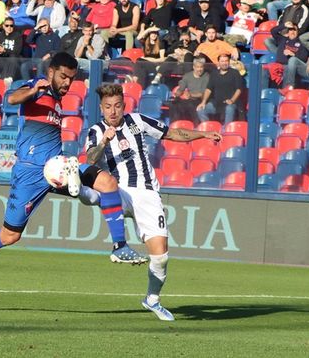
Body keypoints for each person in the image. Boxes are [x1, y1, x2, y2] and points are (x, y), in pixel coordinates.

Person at [0, 52, 149, 291]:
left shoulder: (58, 101)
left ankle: (120, 246)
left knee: (107, 184)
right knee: (10, 236)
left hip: (57, 167)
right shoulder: (37, 89)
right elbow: (11, 99)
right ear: (50, 73)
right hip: (29, 174)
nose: (68, 83)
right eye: (63, 77)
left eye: (71, 78)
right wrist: (33, 90)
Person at [82, 83, 222, 321]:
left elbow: (173, 133)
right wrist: (105, 141)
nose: (113, 111)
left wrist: (203, 134)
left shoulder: (137, 120)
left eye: (117, 106)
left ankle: (152, 300)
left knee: (161, 256)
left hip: (147, 194)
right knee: (99, 189)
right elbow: (90, 157)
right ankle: (77, 189)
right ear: (101, 108)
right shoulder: (96, 131)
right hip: (120, 190)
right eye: (108, 107)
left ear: (124, 105)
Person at [196, 53, 242, 124]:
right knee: (200, 110)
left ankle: (226, 130)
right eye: (222, 61)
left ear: (229, 62)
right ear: (219, 63)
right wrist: (203, 102)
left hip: (230, 103)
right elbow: (209, 89)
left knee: (229, 109)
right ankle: (209, 129)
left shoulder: (235, 73)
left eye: (226, 61)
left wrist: (232, 100)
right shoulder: (214, 73)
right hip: (216, 103)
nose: (224, 63)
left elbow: (238, 89)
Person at [170, 58, 209, 124]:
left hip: (199, 100)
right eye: (197, 67)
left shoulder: (206, 76)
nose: (199, 69)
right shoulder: (187, 75)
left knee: (190, 104)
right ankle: (174, 125)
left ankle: (195, 126)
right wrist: (178, 93)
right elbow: (182, 87)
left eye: (201, 67)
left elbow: (202, 93)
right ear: (194, 67)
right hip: (187, 99)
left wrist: (190, 95)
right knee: (174, 105)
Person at [0, 17, 22, 85]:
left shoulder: (18, 36)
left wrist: (4, 50)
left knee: (13, 57)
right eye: (7, 25)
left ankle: (9, 78)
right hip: (2, 60)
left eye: (11, 25)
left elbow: (17, 51)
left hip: (13, 63)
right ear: (3, 26)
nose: (9, 27)